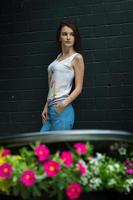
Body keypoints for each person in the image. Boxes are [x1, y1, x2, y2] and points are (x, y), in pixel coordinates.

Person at [40, 21, 84, 132]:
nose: (68, 37)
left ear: (75, 38)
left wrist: (63, 104)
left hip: (62, 110)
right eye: (64, 34)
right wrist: (46, 106)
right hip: (50, 110)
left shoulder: (76, 58)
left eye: (72, 34)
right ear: (60, 37)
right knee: (41, 145)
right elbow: (52, 86)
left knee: (59, 146)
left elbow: (78, 88)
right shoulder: (58, 57)